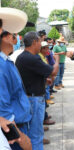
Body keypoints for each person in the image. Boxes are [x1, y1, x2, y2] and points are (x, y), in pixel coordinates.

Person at [15, 31, 59, 150]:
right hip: (34, 100)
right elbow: (53, 72)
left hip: (30, 97)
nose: (41, 45)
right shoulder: (32, 58)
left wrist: (43, 81)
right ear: (34, 42)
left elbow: (29, 77)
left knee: (33, 132)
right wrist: (57, 60)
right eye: (40, 41)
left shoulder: (22, 57)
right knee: (36, 134)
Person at [0, 8, 32, 150]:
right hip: (12, 128)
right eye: (15, 36)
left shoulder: (6, 61)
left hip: (18, 123)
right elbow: (3, 110)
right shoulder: (1, 65)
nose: (18, 39)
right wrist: (19, 137)